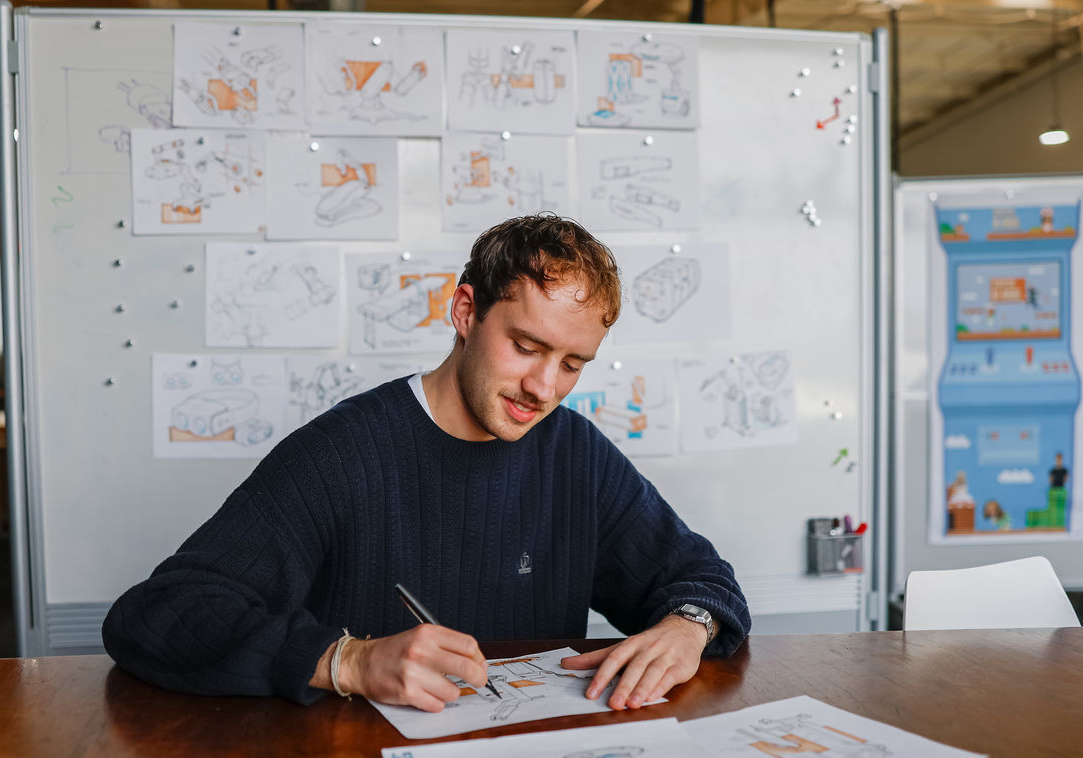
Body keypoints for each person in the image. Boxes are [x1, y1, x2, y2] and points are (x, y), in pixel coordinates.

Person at [102, 214, 749, 713]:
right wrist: (345, 660)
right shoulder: (341, 452)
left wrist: (689, 624)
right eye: (526, 347)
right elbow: (157, 615)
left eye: (573, 363)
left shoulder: (575, 453)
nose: (544, 387)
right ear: (465, 312)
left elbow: (698, 573)